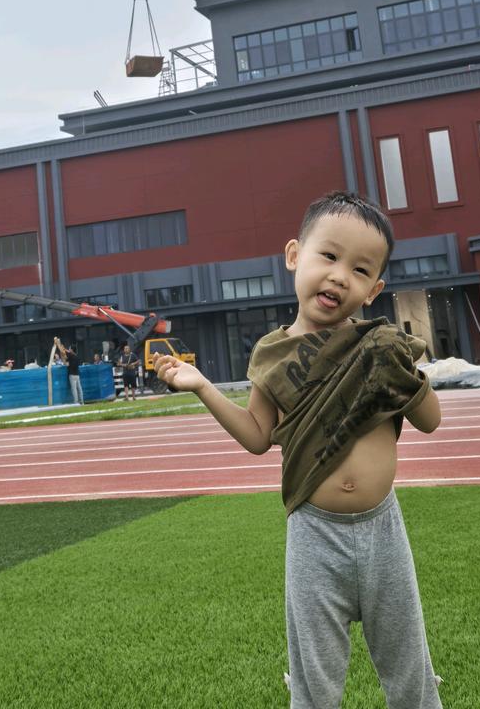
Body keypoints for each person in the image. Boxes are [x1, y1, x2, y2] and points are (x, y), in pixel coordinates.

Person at [155, 191, 443, 708]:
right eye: (328, 256)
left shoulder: (376, 344)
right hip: (314, 533)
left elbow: (431, 422)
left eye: (358, 270)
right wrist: (202, 386)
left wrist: (399, 370)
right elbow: (256, 437)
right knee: (314, 674)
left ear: (374, 289)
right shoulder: (272, 355)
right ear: (295, 255)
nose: (337, 277)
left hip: (383, 529)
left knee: (408, 664)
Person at [57, 337, 83, 405]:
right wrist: (64, 348)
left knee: (74, 389)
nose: (69, 349)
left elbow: (64, 351)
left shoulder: (70, 355)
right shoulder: (76, 356)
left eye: (69, 348)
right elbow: (66, 353)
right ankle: (81, 402)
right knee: (79, 389)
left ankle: (76, 402)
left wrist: (59, 344)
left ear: (71, 349)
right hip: (77, 375)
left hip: (72, 375)